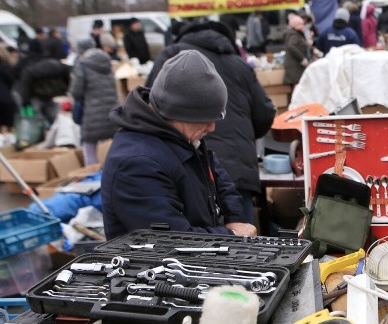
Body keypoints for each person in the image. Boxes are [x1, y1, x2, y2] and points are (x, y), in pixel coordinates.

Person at [102, 50, 255, 239]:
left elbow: (217, 178)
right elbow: (171, 240)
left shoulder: (182, 135)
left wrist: (235, 217)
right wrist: (231, 234)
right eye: (205, 119)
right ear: (177, 113)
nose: (212, 127)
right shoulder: (137, 164)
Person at [147, 22, 275, 226]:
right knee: (242, 247)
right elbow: (265, 113)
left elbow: (153, 105)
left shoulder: (169, 55)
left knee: (236, 243)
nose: (211, 127)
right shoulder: (238, 63)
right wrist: (245, 138)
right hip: (233, 164)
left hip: (196, 168)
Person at [69, 38, 118, 166]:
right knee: (115, 145)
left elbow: (76, 92)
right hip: (111, 110)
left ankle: (92, 176)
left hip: (92, 112)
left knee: (89, 144)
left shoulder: (82, 64)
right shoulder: (106, 60)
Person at [16, 53, 72, 124]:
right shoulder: (60, 69)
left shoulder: (33, 71)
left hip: (41, 96)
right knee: (47, 118)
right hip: (37, 96)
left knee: (37, 119)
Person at [283, 14, 309, 89]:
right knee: (297, 87)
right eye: (301, 24)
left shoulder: (295, 34)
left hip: (295, 65)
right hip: (295, 66)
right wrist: (302, 58)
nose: (303, 26)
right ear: (295, 25)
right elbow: (291, 46)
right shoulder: (294, 35)